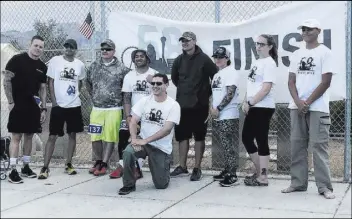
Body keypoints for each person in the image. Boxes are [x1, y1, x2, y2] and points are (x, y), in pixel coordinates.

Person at [281, 19, 335, 199]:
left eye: (308, 29)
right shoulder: (296, 54)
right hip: (297, 107)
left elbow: (326, 82)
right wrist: (298, 102)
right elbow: (291, 81)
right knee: (297, 145)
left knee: (319, 147)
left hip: (317, 107)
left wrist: (308, 102)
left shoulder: (325, 52)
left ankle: (324, 187)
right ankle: (297, 183)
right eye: (303, 29)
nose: (304, 32)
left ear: (318, 30)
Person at [118, 73, 181, 195]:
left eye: (159, 83)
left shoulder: (173, 105)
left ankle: (163, 171)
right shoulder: (144, 101)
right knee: (128, 152)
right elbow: (133, 121)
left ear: (166, 85)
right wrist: (134, 138)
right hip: (143, 141)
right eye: (153, 83)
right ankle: (129, 184)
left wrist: (145, 141)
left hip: (160, 147)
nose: (155, 86)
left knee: (161, 185)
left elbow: (167, 130)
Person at [170, 31, 218, 181]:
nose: (185, 43)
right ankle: (182, 166)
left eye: (188, 40)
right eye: (183, 41)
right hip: (182, 105)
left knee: (199, 137)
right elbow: (175, 79)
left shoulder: (204, 59)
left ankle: (197, 168)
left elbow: (215, 77)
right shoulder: (178, 60)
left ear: (195, 41)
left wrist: (204, 94)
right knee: (182, 136)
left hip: (200, 105)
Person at [37, 39, 86, 179]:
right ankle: (45, 167)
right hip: (59, 105)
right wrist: (54, 101)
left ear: (75, 50)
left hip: (74, 105)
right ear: (63, 48)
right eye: (66, 46)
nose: (69, 49)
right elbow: (50, 82)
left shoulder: (80, 65)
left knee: (72, 135)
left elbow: (80, 82)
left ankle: (69, 164)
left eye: (72, 47)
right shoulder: (55, 61)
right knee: (52, 136)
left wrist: (74, 95)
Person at [2, 35, 48, 183]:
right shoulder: (16, 60)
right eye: (36, 45)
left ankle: (25, 167)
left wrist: (43, 108)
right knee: (16, 137)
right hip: (18, 105)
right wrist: (10, 102)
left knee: (29, 136)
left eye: (41, 47)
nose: (38, 49)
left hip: (33, 106)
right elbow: (7, 80)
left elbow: (42, 89)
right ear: (30, 44)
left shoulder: (42, 67)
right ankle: (13, 170)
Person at [109, 49, 157, 179]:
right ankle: (122, 165)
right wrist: (128, 117)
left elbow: (161, 94)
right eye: (136, 57)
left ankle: (137, 167)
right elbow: (126, 97)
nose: (139, 58)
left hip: (149, 116)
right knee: (123, 134)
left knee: (141, 140)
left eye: (142, 56)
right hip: (134, 115)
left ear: (147, 59)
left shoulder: (154, 74)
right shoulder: (129, 76)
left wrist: (152, 82)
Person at [85, 39, 130, 176]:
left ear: (114, 51)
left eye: (108, 49)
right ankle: (98, 160)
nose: (105, 51)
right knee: (95, 136)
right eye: (103, 48)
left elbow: (126, 88)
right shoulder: (93, 66)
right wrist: (95, 97)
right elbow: (88, 83)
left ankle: (105, 163)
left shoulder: (121, 68)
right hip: (97, 108)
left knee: (109, 137)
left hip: (114, 108)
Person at [241, 34, 278, 187]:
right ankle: (259, 173)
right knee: (247, 138)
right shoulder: (257, 62)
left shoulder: (269, 63)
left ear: (270, 46)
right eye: (257, 44)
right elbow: (251, 85)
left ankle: (263, 176)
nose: (258, 47)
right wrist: (245, 100)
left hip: (262, 107)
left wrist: (251, 102)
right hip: (254, 105)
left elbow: (266, 88)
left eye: (262, 44)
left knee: (261, 139)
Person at [210, 47, 240, 187]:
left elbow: (230, 93)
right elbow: (215, 94)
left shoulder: (231, 72)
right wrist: (212, 108)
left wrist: (219, 108)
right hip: (218, 114)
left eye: (221, 57)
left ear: (227, 58)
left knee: (228, 144)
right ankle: (227, 170)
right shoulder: (218, 74)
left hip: (228, 114)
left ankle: (233, 174)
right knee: (224, 144)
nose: (217, 59)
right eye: (216, 57)